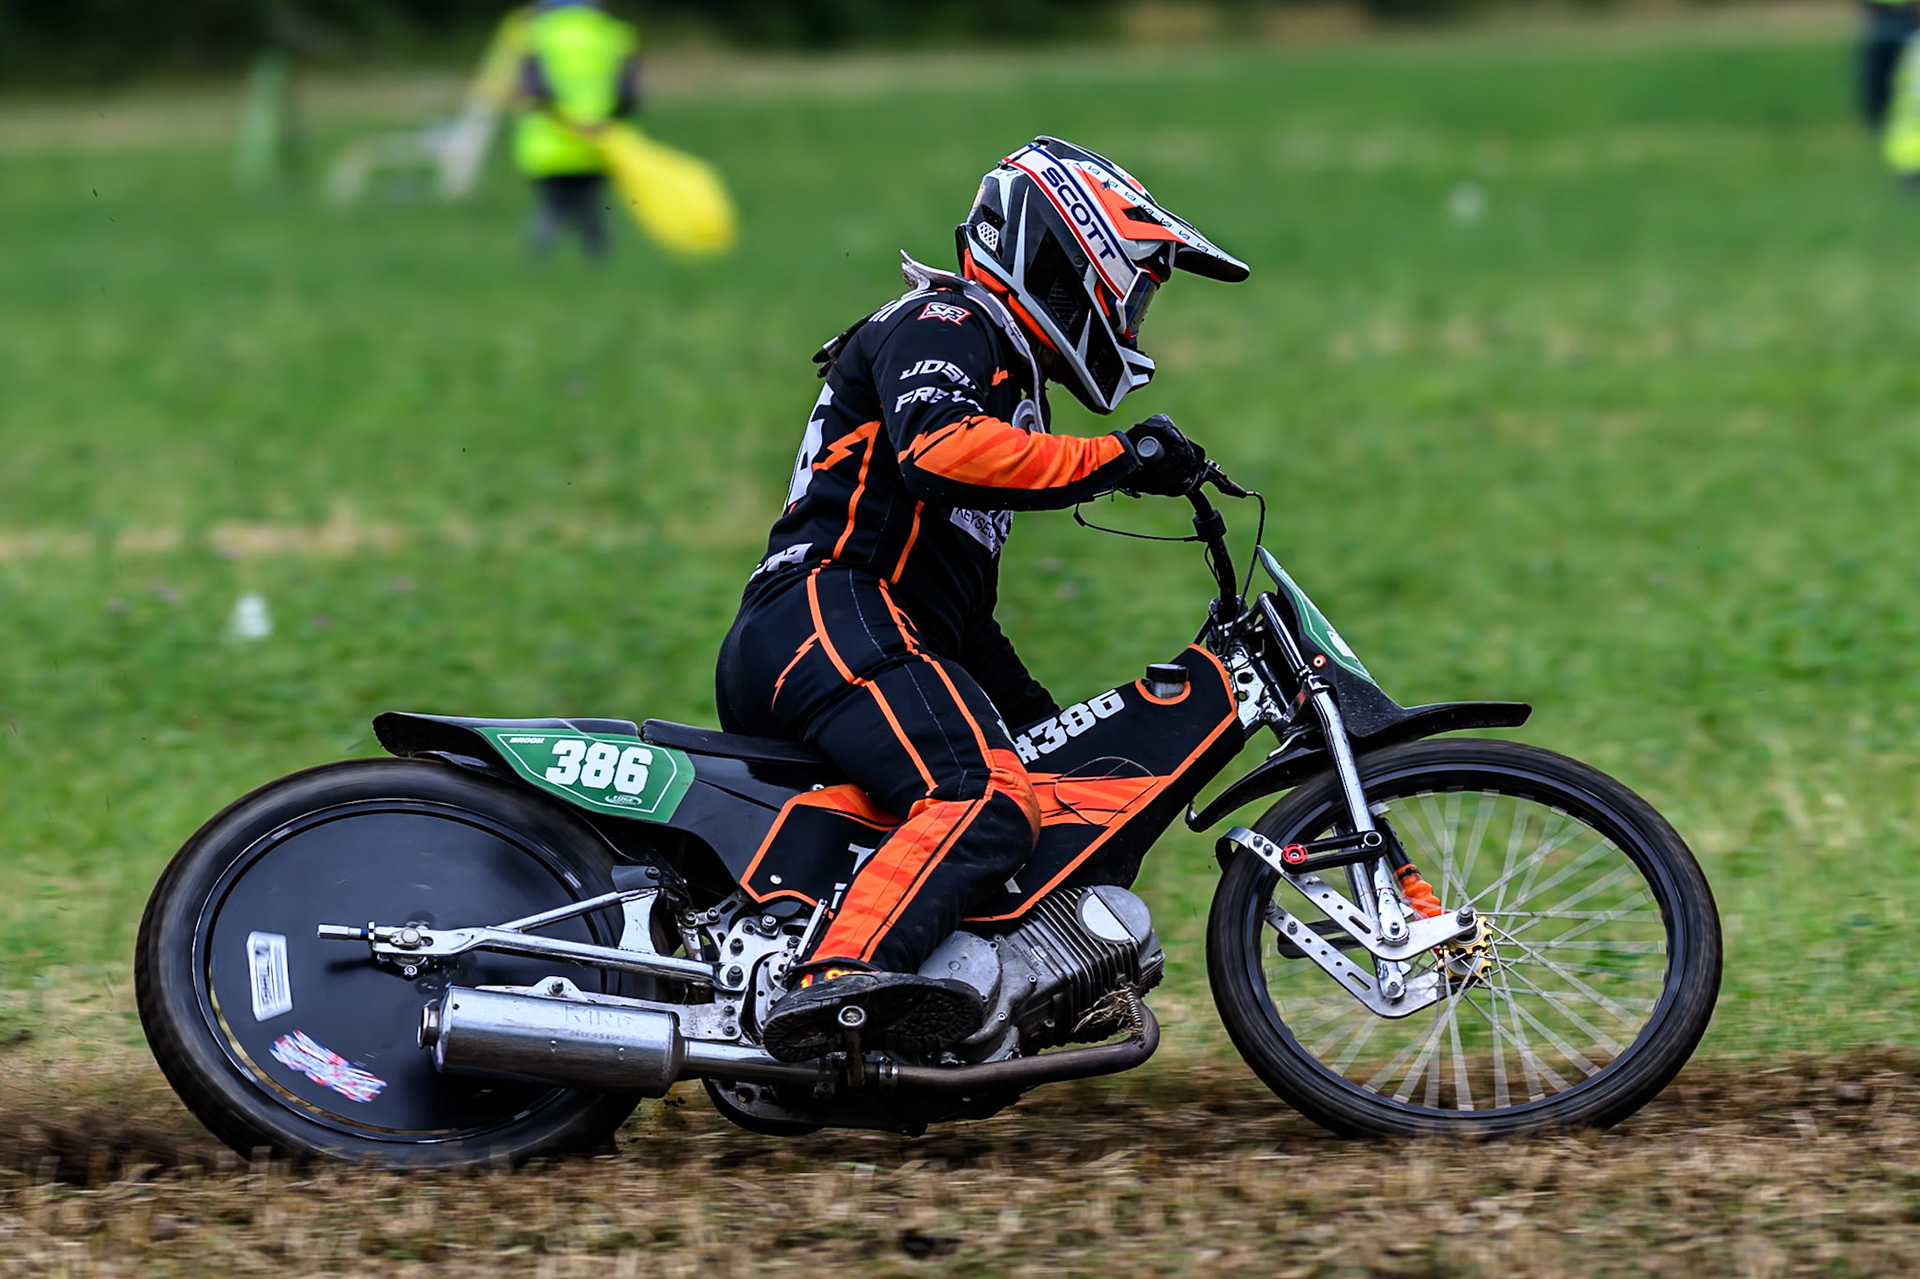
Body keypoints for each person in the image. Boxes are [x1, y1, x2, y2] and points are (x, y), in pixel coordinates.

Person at [716, 137, 1249, 1062]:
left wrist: (1062, 731)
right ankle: (835, 985)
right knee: (982, 793)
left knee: (1048, 788)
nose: (1137, 316)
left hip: (881, 623)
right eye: (1137, 289)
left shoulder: (1007, 372)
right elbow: (939, 448)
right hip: (825, 611)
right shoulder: (948, 321)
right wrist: (1119, 458)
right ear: (1069, 255)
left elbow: (956, 607)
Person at [512, 0, 640, 258]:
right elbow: (629, 96)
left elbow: (532, 91)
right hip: (599, 141)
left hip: (548, 144)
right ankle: (598, 264)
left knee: (551, 209)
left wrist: (568, 121)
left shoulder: (536, 31)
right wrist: (596, 122)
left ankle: (539, 267)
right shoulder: (615, 33)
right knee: (594, 208)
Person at [1860, 0, 1919, 133]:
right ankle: (1878, 116)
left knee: (1907, 74)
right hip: (1883, 17)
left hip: (1908, 17)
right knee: (1878, 76)